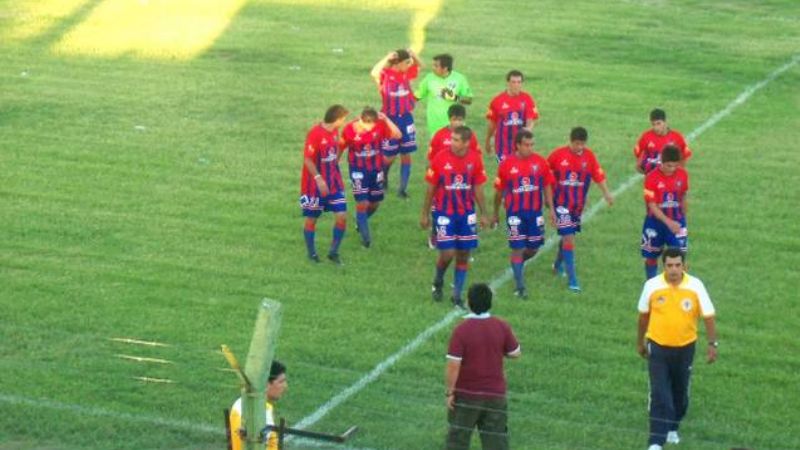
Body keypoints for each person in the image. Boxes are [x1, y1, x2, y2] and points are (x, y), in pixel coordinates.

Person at [636, 248, 718, 450]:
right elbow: (643, 316)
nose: (673, 270)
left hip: (685, 348)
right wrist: (640, 342)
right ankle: (655, 442)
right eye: (670, 266)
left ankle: (673, 427)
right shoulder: (652, 286)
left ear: (684, 266)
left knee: (679, 392)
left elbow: (708, 316)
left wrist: (712, 344)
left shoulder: (695, 286)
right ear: (664, 266)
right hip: (658, 347)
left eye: (677, 265)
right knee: (659, 394)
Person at [445, 283, 521, 450]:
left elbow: (453, 366)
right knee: (496, 443)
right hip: (495, 395)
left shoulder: (461, 331)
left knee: (458, 440)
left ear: (469, 303)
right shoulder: (501, 326)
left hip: (467, 396)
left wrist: (450, 392)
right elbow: (515, 352)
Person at [420, 126, 489, 307]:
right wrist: (425, 214)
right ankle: (438, 281)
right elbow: (431, 188)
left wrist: (484, 213)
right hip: (444, 213)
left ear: (466, 143)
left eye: (457, 140)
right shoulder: (440, 158)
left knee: (464, 253)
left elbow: (478, 188)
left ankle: (457, 294)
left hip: (466, 214)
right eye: (452, 139)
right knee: (448, 253)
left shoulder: (475, 159)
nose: (452, 142)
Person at [547, 127, 614, 292]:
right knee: (569, 238)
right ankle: (573, 281)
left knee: (567, 236)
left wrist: (606, 193)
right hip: (560, 204)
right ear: (570, 140)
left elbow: (598, 175)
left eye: (582, 144)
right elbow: (545, 177)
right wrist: (548, 203)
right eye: (577, 143)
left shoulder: (589, 156)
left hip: (577, 205)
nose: (579, 147)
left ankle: (557, 265)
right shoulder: (557, 155)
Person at [493, 130, 555, 299]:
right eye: (526, 145)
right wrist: (495, 213)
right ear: (518, 146)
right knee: (517, 248)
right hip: (514, 214)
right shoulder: (506, 164)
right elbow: (499, 191)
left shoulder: (540, 162)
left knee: (533, 249)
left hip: (535, 213)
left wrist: (551, 208)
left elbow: (548, 184)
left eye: (532, 145)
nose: (530, 148)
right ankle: (520, 286)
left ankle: (517, 264)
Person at [339, 107, 402, 247]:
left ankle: (360, 221)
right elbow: (340, 147)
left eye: (371, 125)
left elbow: (398, 135)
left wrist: (386, 119)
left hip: (376, 169)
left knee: (375, 203)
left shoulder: (380, 124)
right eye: (366, 125)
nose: (369, 128)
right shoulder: (350, 129)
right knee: (363, 203)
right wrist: (333, 166)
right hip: (358, 170)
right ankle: (366, 239)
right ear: (361, 119)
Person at [426, 104, 481, 249]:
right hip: (443, 178)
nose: (458, 122)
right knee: (438, 207)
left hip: (463, 178)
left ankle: (464, 242)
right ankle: (435, 234)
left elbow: (477, 157)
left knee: (465, 206)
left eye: (461, 119)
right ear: (450, 119)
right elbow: (431, 159)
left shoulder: (470, 136)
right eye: (455, 119)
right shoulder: (439, 135)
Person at [300, 104, 349, 264]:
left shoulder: (335, 131)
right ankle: (311, 253)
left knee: (342, 216)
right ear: (337, 119)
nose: (344, 122)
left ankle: (333, 252)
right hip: (314, 185)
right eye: (343, 119)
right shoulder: (315, 134)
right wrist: (318, 178)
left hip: (334, 182)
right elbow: (307, 159)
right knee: (312, 219)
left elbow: (334, 151)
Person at [371, 49, 421, 198]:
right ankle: (383, 177)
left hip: (406, 118)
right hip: (389, 119)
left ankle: (402, 189)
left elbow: (420, 65)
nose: (409, 65)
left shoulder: (406, 73)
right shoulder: (385, 75)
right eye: (406, 62)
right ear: (398, 63)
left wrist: (413, 54)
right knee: (389, 156)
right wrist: (387, 56)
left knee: (406, 153)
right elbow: (374, 72)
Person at [641, 145, 689, 279]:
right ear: (661, 162)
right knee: (651, 257)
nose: (672, 169)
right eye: (669, 166)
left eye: (675, 166)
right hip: (655, 223)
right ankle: (650, 287)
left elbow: (684, 194)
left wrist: (683, 217)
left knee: (681, 257)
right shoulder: (651, 178)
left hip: (677, 222)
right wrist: (669, 223)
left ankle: (679, 289)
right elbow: (652, 205)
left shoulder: (683, 174)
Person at [229, 360, 289, 450]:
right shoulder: (262, 415)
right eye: (281, 382)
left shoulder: (239, 403)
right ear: (266, 384)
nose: (285, 386)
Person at [485, 70, 539, 162]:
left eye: (519, 82)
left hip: (521, 144)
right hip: (503, 146)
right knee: (507, 173)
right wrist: (487, 141)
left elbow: (530, 119)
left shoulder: (527, 99)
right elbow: (492, 124)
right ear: (508, 83)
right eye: (513, 82)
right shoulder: (497, 101)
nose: (516, 85)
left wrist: (529, 129)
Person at [414, 54, 474, 136]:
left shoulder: (459, 79)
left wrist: (454, 97)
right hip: (435, 124)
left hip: (454, 123)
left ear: (445, 68)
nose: (433, 68)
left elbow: (469, 100)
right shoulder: (429, 78)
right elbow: (416, 96)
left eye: (436, 66)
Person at [634, 108, 692, 174]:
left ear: (665, 122)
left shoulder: (677, 137)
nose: (656, 128)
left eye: (659, 123)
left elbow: (684, 157)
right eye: (653, 124)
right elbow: (638, 160)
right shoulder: (646, 137)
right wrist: (649, 175)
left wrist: (676, 174)